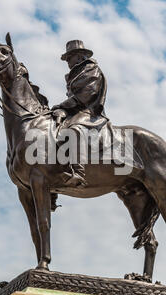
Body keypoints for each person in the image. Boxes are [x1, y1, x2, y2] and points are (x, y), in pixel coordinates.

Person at [52, 40, 108, 187]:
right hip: (76, 110)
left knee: (74, 129)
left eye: (70, 57)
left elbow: (87, 94)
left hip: (89, 111)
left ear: (80, 56)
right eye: (67, 59)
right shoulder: (73, 74)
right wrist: (61, 109)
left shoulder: (91, 69)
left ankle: (79, 172)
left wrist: (62, 105)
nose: (68, 61)